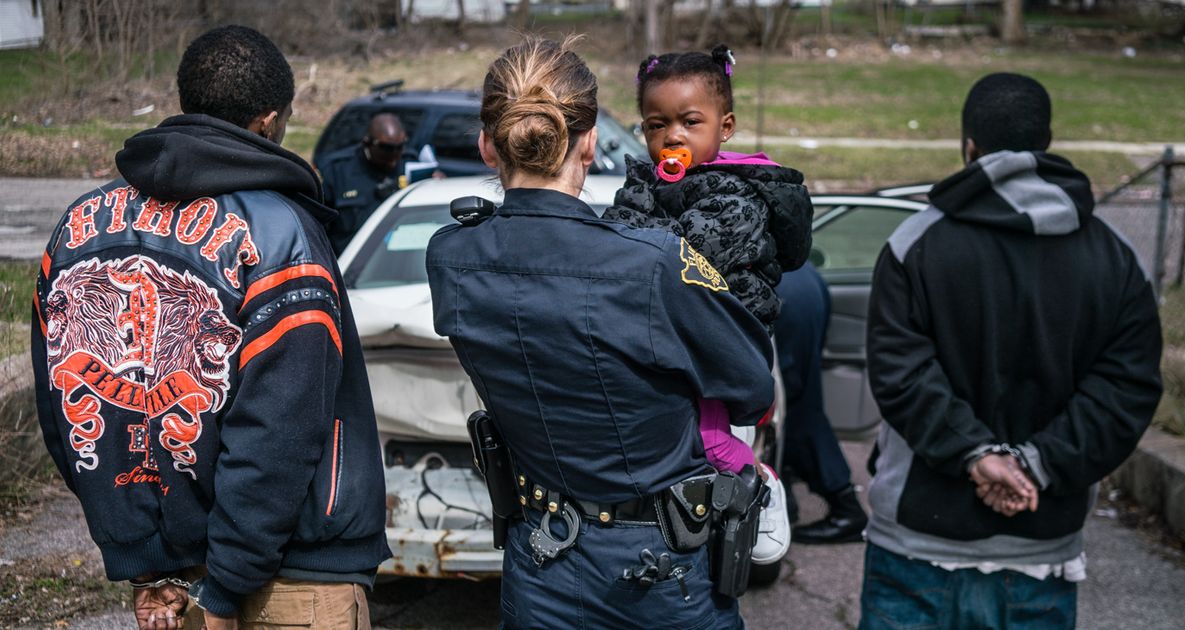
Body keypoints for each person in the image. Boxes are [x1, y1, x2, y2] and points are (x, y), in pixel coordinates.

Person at [30, 25, 390, 630]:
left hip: (173, 581)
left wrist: (147, 561)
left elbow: (63, 410)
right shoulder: (283, 235)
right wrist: (225, 587)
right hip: (287, 582)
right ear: (267, 123)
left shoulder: (77, 227)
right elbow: (278, 433)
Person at [426, 38, 775, 628]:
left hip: (539, 553)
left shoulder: (450, 257)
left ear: (489, 146)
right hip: (658, 569)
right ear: (589, 143)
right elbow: (751, 387)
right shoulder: (653, 263)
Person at [860, 72, 1162, 629]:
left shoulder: (914, 245)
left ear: (968, 147)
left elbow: (901, 375)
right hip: (1042, 552)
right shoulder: (1117, 258)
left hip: (915, 543)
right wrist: (1035, 464)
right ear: (1046, 142)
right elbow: (1125, 392)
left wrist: (977, 455)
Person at [603, 45, 813, 565]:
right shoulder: (645, 186)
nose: (671, 136)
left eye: (689, 122)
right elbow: (616, 246)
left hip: (725, 345)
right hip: (680, 341)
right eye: (656, 125)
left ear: (726, 126)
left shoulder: (739, 197)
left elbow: (674, 257)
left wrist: (635, 229)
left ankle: (759, 484)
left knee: (711, 444)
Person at [775, 263, 868, 544]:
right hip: (802, 278)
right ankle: (786, 501)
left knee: (791, 408)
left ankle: (845, 507)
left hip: (780, 290)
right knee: (798, 404)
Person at [316, 112, 410, 254]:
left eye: (400, 147)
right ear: (367, 143)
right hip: (350, 262)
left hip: (397, 259)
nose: (394, 155)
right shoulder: (338, 171)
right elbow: (318, 225)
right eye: (387, 148)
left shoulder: (409, 165)